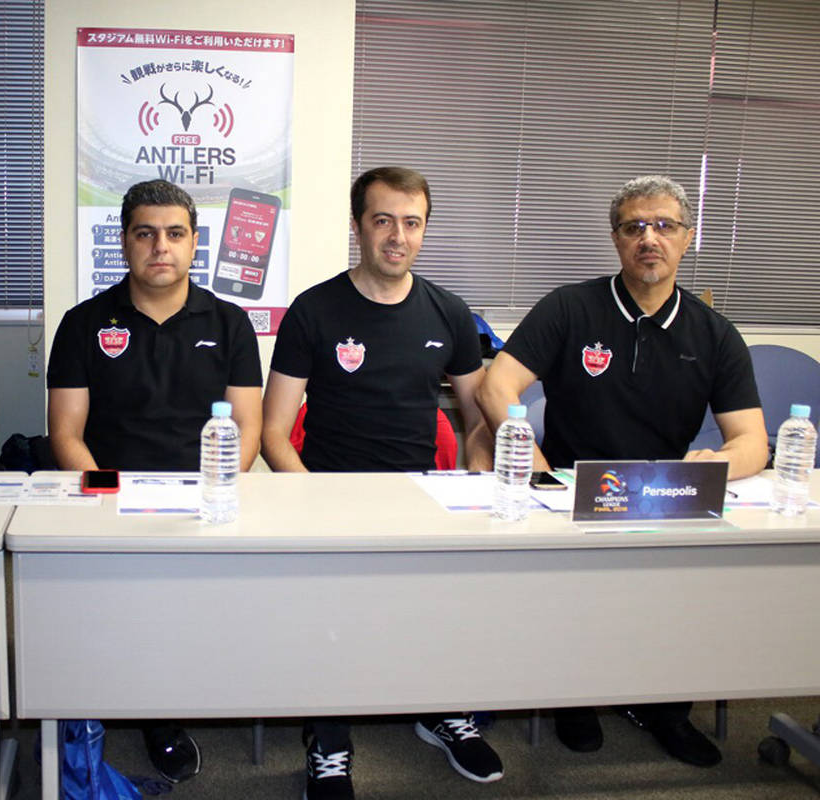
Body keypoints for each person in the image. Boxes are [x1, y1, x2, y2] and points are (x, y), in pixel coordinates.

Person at [476, 174, 769, 767]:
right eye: (634, 227)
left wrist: (713, 465)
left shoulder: (714, 333)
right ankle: (574, 699)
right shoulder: (570, 307)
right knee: (577, 598)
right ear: (616, 239)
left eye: (664, 226)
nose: (648, 238)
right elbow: (496, 386)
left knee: (687, 598)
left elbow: (753, 442)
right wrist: (537, 470)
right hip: (571, 491)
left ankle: (666, 710)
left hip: (664, 496)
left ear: (687, 237)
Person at [261, 166, 500, 799]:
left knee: (443, 606)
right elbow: (273, 431)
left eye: (412, 223)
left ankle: (442, 710)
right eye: (383, 220)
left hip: (420, 497)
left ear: (424, 229)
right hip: (329, 493)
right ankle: (328, 742)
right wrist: (313, 499)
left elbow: (478, 417)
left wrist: (475, 485)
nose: (398, 236)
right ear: (358, 226)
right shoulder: (314, 310)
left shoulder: (449, 312)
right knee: (333, 619)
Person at [46, 179, 263, 782]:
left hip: (203, 501)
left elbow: (247, 428)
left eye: (174, 234)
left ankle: (161, 707)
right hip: (108, 500)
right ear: (124, 242)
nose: (160, 247)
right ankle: (101, 700)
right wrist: (109, 502)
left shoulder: (230, 323)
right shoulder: (83, 323)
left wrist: (212, 495)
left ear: (194, 243)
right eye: (145, 234)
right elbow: (66, 433)